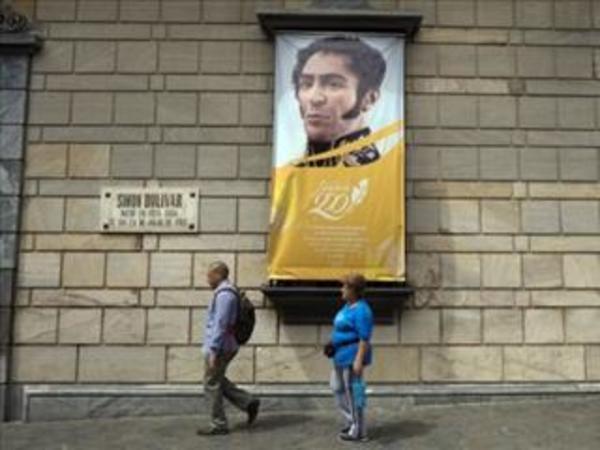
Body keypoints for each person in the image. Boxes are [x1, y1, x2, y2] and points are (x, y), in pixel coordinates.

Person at [292, 35, 387, 167]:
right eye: (306, 84)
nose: (315, 98)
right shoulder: (293, 172)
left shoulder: (378, 171)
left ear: (369, 99)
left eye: (334, 84)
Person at [197, 261, 260, 436]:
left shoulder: (225, 295)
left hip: (222, 346)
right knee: (216, 379)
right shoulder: (226, 292)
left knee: (211, 383)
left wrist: (213, 350)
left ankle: (218, 424)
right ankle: (248, 402)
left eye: (209, 276)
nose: (207, 280)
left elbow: (221, 324)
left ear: (218, 275)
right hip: (224, 345)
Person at [326, 273, 374, 442]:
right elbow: (340, 328)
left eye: (344, 287)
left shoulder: (362, 310)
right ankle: (352, 421)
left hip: (352, 355)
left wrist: (358, 360)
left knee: (353, 392)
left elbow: (364, 338)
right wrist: (332, 343)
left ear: (353, 290)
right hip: (340, 355)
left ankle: (359, 431)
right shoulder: (347, 307)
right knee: (337, 387)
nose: (342, 290)